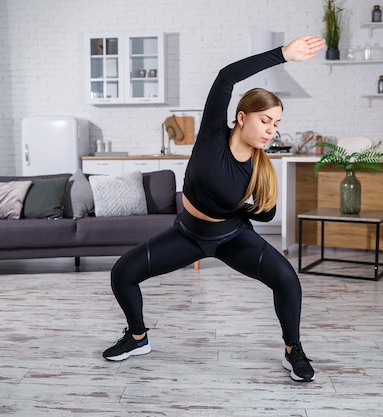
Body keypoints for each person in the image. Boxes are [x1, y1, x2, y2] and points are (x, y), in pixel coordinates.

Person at [102, 35, 326, 382]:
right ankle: (137, 337)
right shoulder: (212, 135)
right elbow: (225, 77)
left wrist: (254, 208)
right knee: (122, 274)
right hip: (188, 233)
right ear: (241, 117)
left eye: (276, 124)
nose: (271, 130)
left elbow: (265, 215)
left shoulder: (260, 168)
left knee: (288, 282)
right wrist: (284, 54)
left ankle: (292, 350)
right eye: (265, 120)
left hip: (232, 237)